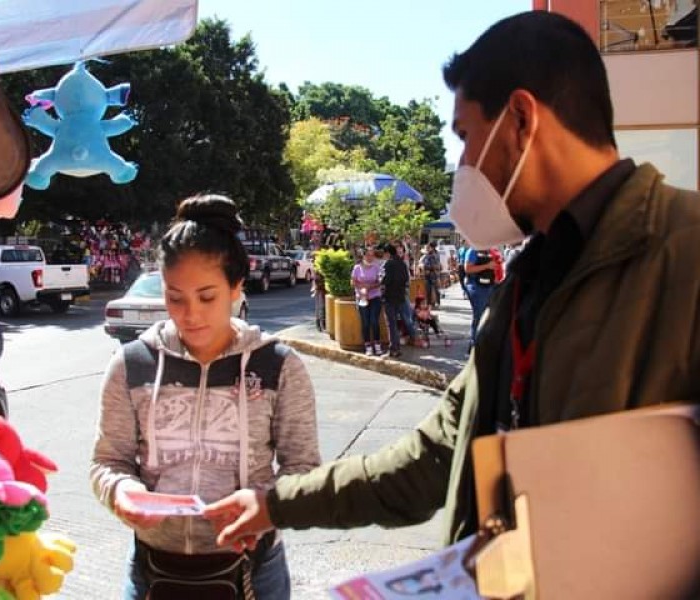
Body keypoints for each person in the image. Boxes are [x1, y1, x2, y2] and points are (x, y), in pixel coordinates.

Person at [202, 10, 700, 557]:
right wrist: (276, 503)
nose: (463, 163)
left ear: (520, 120)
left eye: (466, 136)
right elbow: (435, 456)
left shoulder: (684, 254)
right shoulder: (527, 279)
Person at [89, 194, 321, 599]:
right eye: (175, 297)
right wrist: (121, 492)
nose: (190, 314)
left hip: (254, 572)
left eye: (207, 296)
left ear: (236, 287)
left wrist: (267, 507)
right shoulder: (132, 364)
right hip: (152, 570)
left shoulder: (278, 366)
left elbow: (303, 468)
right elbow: (108, 462)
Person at [380, 243, 419, 358]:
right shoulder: (402, 263)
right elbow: (406, 279)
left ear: (387, 253)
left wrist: (380, 281)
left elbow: (384, 280)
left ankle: (394, 349)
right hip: (401, 296)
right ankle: (411, 339)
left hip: (390, 297)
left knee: (391, 324)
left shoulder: (387, 264)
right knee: (403, 320)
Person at [351, 246, 384, 356]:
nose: (370, 257)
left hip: (375, 296)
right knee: (365, 322)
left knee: (374, 321)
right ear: (363, 256)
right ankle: (368, 346)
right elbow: (353, 282)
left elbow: (380, 281)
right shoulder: (357, 268)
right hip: (362, 298)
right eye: (368, 255)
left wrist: (370, 287)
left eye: (372, 255)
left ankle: (377, 345)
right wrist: (362, 288)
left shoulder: (376, 267)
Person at [463, 245, 496, 346]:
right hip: (476, 287)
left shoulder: (490, 250)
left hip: (488, 286)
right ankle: (474, 344)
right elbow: (467, 269)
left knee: (487, 316)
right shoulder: (473, 251)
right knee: (479, 315)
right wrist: (487, 266)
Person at [418, 243, 442, 307]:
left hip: (434, 274)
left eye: (428, 248)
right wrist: (423, 267)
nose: (427, 249)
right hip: (427, 275)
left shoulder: (435, 255)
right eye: (427, 248)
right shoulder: (424, 256)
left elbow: (437, 265)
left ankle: (437, 302)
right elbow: (420, 264)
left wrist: (428, 268)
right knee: (428, 290)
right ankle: (429, 304)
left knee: (436, 289)